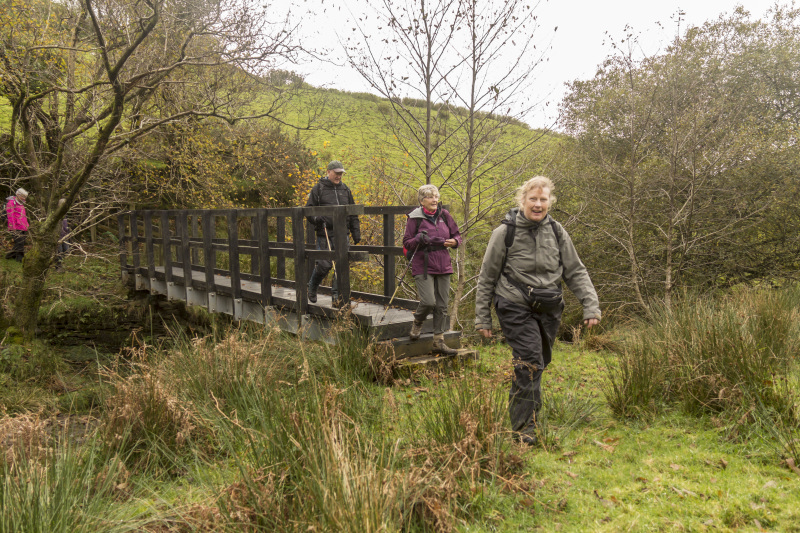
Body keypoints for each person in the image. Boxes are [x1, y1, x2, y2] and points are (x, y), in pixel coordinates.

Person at [474, 176, 600, 446]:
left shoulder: (557, 231)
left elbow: (575, 271)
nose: (538, 204)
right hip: (514, 305)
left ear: (550, 202)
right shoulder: (504, 233)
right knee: (530, 362)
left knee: (536, 363)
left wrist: (591, 305)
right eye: (533, 199)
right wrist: (482, 317)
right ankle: (523, 431)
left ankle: (524, 413)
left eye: (543, 199)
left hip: (549, 307)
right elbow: (487, 278)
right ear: (522, 200)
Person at [402, 184, 462, 355]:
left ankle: (438, 341)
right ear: (422, 201)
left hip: (443, 263)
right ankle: (418, 321)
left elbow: (457, 235)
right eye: (430, 197)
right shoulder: (415, 218)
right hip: (423, 263)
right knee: (429, 301)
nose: (435, 200)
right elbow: (407, 242)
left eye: (436, 196)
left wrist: (455, 242)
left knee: (442, 305)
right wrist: (418, 238)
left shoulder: (445, 215)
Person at [305, 161, 361, 307]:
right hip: (325, 233)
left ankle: (336, 298)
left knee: (341, 265)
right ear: (328, 171)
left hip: (343, 234)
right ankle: (312, 286)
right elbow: (308, 210)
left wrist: (356, 232)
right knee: (324, 265)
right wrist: (317, 218)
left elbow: (353, 211)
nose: (339, 176)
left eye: (341, 173)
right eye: (336, 173)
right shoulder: (318, 189)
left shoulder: (345, 189)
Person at [5, 188, 29, 262]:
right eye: (23, 196)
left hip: (23, 226)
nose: (24, 198)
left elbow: (23, 215)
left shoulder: (21, 203)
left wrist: (26, 224)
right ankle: (20, 258)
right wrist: (13, 227)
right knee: (20, 242)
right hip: (16, 226)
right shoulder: (11, 203)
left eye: (25, 197)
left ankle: (10, 255)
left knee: (21, 242)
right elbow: (10, 216)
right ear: (17, 195)